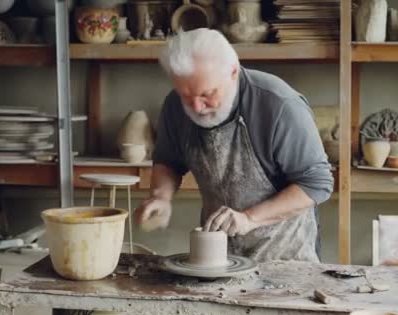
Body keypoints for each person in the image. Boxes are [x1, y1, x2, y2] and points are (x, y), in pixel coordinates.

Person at [134, 28, 333, 263]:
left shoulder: (278, 105)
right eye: (187, 96)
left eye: (207, 94)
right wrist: (161, 196)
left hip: (285, 255)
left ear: (233, 72)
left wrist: (249, 218)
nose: (197, 107)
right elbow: (169, 161)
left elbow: (317, 184)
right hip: (220, 254)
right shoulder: (175, 106)